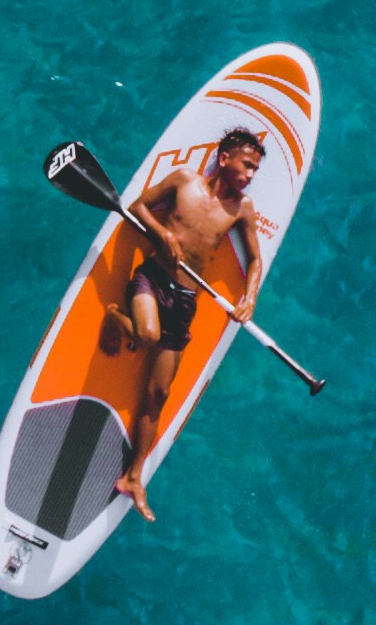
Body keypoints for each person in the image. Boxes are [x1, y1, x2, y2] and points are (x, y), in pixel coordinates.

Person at [103, 127, 267, 521]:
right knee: (146, 335)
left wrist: (250, 300)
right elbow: (139, 206)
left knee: (158, 394)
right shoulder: (183, 181)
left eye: (255, 171)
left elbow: (255, 260)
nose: (249, 176)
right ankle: (115, 316)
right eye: (246, 165)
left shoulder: (241, 210)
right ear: (224, 157)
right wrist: (163, 236)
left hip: (186, 301)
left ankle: (134, 477)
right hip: (151, 279)